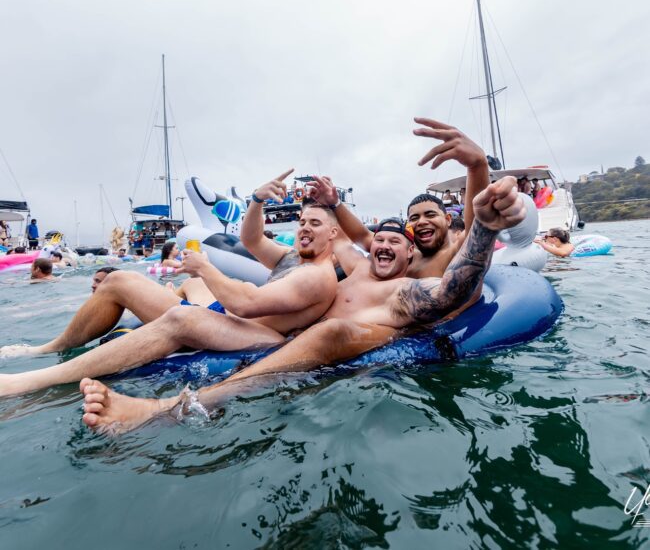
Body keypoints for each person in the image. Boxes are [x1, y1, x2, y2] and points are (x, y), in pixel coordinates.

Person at [76, 176, 525, 434]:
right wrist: (328, 204)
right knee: (150, 288)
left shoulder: (404, 289)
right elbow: (340, 240)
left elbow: (451, 290)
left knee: (331, 332)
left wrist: (482, 225)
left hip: (332, 346)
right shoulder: (357, 262)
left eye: (396, 242)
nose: (385, 246)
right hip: (272, 338)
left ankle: (173, 408)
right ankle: (55, 356)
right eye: (380, 241)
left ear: (411, 256)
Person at [0, 171, 340, 361]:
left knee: (119, 282)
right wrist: (256, 200)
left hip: (239, 330)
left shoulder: (316, 275)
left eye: (314, 223)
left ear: (333, 233)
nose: (305, 228)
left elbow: (246, 304)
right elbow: (251, 239)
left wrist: (204, 267)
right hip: (231, 315)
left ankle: (50, 348)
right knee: (191, 286)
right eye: (302, 222)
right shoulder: (292, 258)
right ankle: (164, 301)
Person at [306, 119, 489, 281]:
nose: (422, 221)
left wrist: (477, 166)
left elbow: (478, 229)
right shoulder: (408, 256)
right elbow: (363, 236)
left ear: (448, 220)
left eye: (430, 214)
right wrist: (334, 203)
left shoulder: (457, 252)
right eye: (415, 218)